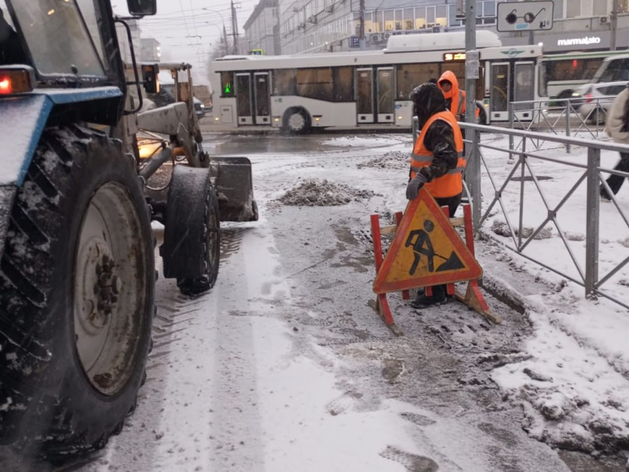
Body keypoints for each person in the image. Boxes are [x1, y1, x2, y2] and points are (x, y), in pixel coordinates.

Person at [406, 82, 466, 308]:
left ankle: (436, 292)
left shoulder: (438, 125)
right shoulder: (442, 118)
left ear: (427, 104)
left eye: (418, 105)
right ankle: (442, 287)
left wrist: (423, 177)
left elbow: (447, 157)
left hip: (439, 194)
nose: (416, 110)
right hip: (445, 191)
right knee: (437, 239)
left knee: (431, 242)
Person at [601, 84, 629, 201]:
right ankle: (606, 191)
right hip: (623, 139)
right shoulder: (624, 96)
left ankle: (605, 191)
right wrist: (624, 135)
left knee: (624, 166)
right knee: (625, 165)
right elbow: (613, 121)